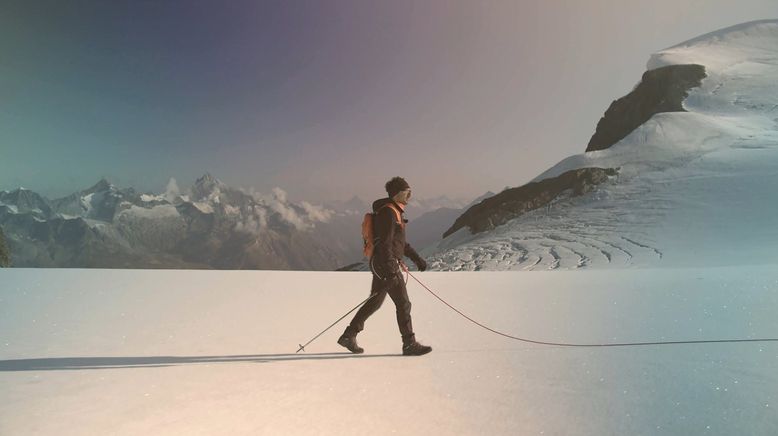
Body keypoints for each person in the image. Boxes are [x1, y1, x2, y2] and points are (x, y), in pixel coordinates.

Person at [338, 177, 432, 356]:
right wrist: (390, 269)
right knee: (403, 303)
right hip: (385, 264)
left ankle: (349, 335)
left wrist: (417, 259)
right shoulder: (388, 213)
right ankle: (409, 344)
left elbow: (399, 243)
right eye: (407, 192)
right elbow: (385, 244)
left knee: (375, 301)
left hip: (382, 263)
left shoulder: (394, 211)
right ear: (397, 194)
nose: (410, 196)